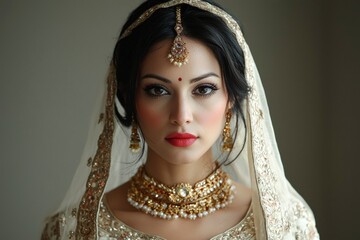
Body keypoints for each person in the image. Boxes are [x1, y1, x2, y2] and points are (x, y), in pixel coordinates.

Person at [41, 0, 319, 239]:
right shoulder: (76, 229)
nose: (181, 116)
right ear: (128, 97)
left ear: (231, 98)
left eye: (203, 89)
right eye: (158, 90)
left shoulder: (284, 224)